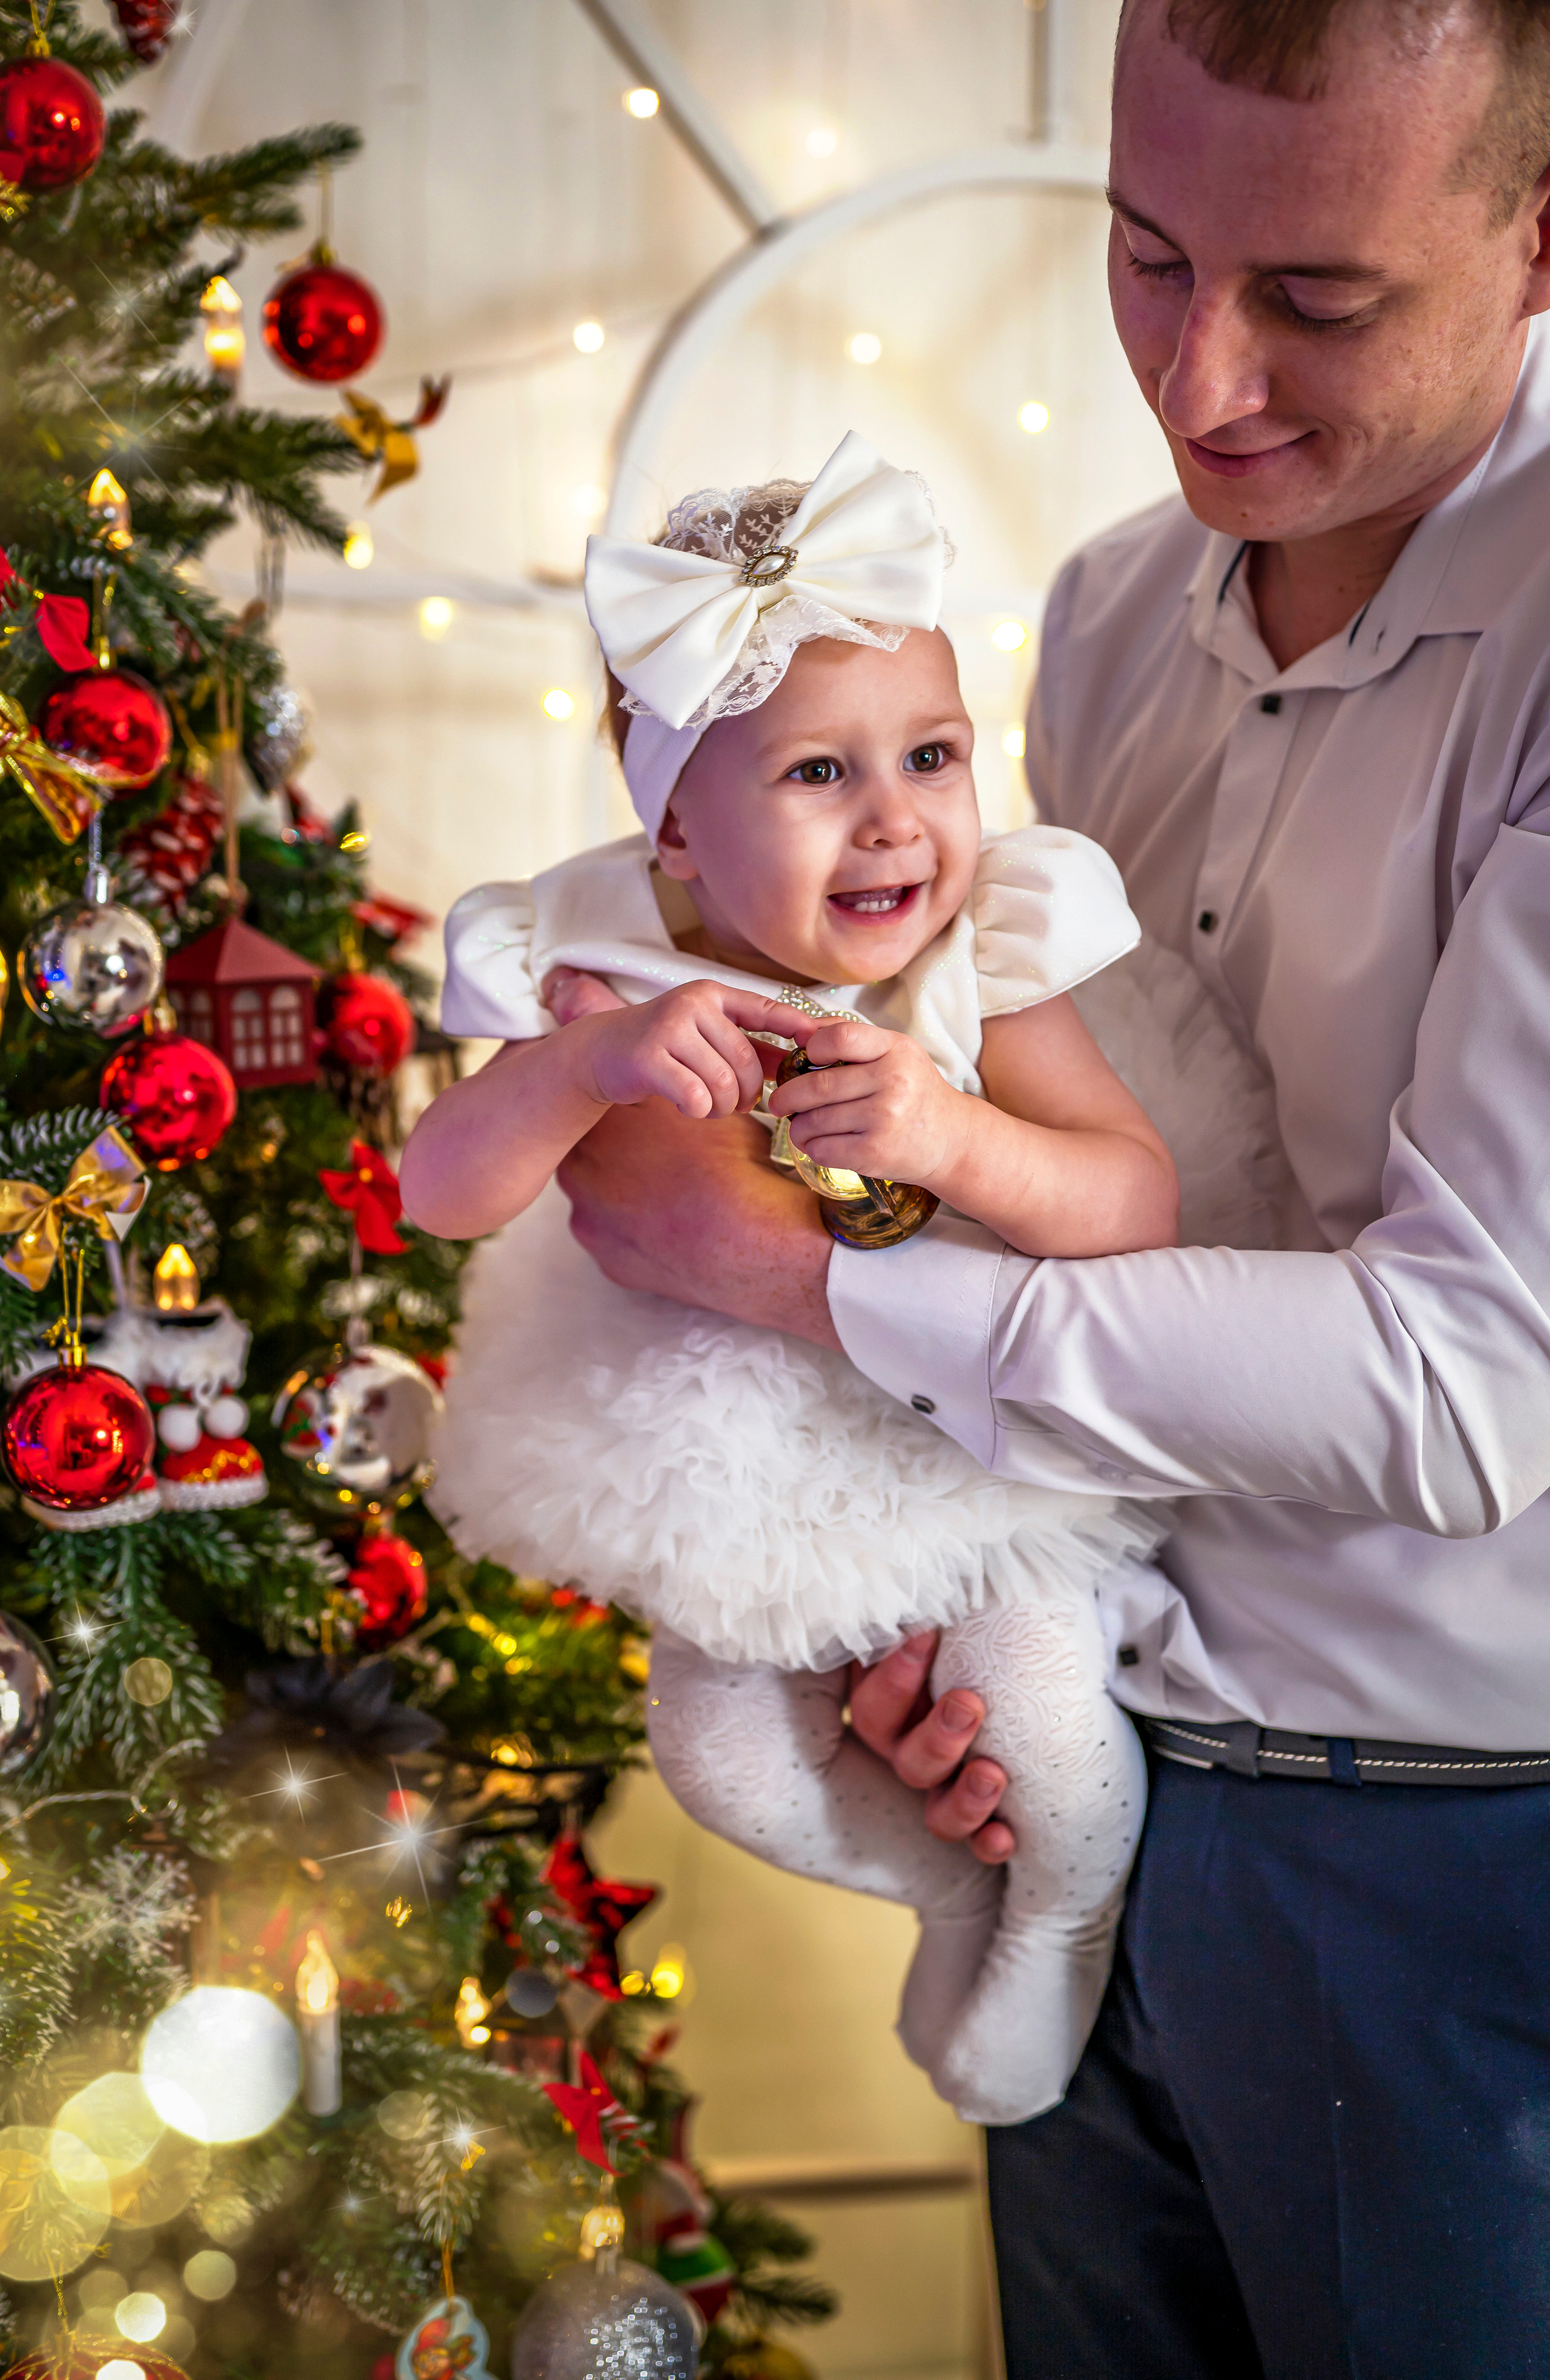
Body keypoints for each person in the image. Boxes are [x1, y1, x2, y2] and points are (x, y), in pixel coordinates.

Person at [549, 1, 1550, 2373]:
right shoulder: (1108, 612)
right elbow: (1039, 1155)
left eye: (1318, 297)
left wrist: (802, 1288)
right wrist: (941, 1604)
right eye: (1145, 253)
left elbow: (1469, 1392)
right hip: (1087, 1766)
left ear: (1539, 236)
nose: (1201, 380)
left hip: (1456, 1849)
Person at [402, 429, 1286, 2128]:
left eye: (932, 756)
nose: (897, 821)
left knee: (1045, 1727)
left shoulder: (985, 955)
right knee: (721, 1759)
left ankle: (1061, 1911)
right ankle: (950, 1897)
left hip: (975, 1439)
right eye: (819, 772)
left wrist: (958, 1138)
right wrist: (582, 1070)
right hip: (723, 1449)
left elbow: (1132, 1201)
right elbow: (440, 1194)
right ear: (675, 824)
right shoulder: (593, 956)